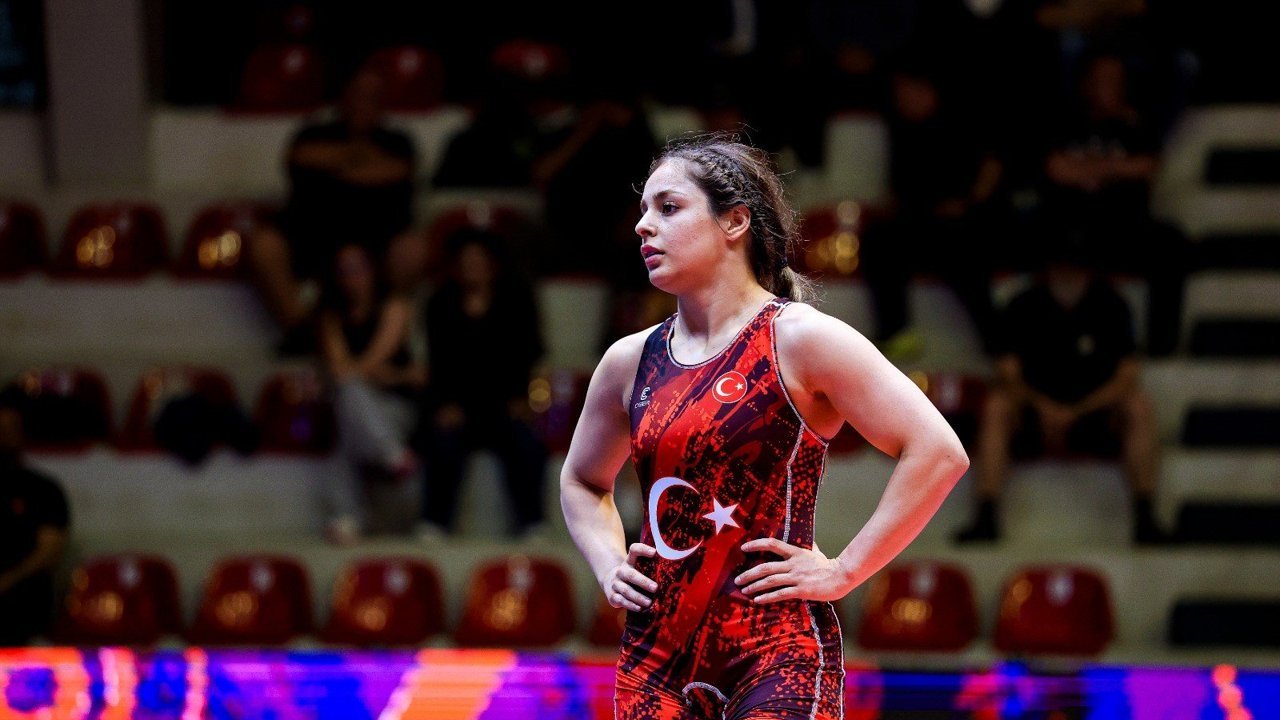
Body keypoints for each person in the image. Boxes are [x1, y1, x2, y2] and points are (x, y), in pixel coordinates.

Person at [560, 135, 969, 719]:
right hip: (656, 658)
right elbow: (581, 480)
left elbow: (938, 451)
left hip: (776, 651)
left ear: (734, 222)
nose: (643, 226)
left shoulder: (800, 338)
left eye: (668, 208)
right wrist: (608, 564)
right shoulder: (629, 360)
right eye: (643, 210)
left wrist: (845, 570)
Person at [953, 239, 1166, 544]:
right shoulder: (1024, 304)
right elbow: (1007, 372)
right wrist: (1045, 407)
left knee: (1138, 406)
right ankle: (986, 515)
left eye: (1075, 264)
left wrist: (1077, 411)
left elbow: (1127, 376)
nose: (1067, 272)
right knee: (997, 405)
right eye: (1061, 263)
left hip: (1094, 416)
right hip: (1035, 415)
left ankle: (1145, 516)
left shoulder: (1111, 304)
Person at [248, 69, 425, 354]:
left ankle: (380, 329)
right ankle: (300, 330)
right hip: (311, 237)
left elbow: (396, 170)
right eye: (358, 95)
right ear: (343, 97)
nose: (363, 103)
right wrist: (362, 161)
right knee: (265, 244)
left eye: (373, 97)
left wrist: (334, 165)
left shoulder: (398, 140)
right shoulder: (312, 132)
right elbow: (301, 156)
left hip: (376, 239)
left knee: (413, 249)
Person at [858, 60, 1006, 359]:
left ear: (926, 90)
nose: (900, 99)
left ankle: (1000, 349)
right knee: (879, 239)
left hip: (964, 221)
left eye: (906, 91)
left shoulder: (962, 124)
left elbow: (991, 169)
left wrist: (968, 203)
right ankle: (895, 333)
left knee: (963, 254)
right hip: (921, 224)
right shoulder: (904, 131)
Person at [415, 228, 549, 539]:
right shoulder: (440, 302)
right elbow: (436, 364)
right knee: (441, 441)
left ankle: (532, 522)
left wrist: (522, 400)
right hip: (457, 405)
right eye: (466, 260)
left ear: (493, 264)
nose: (472, 266)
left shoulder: (517, 300)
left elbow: (529, 354)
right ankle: (434, 522)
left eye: (478, 260)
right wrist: (443, 405)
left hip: (504, 404)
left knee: (527, 443)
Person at [318, 244, 422, 545]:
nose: (352, 278)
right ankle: (392, 454)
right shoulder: (331, 317)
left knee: (348, 406)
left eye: (358, 269)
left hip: (396, 407)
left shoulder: (394, 306)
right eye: (344, 271)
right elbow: (343, 369)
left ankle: (348, 517)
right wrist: (378, 374)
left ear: (374, 271)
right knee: (349, 400)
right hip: (362, 409)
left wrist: (381, 374)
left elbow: (374, 357)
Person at [0, 391, 70, 646]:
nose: (4, 436)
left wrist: (7, 580)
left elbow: (50, 551)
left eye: (11, 429)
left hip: (23, 613)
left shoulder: (43, 489)